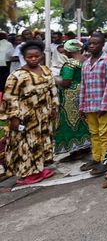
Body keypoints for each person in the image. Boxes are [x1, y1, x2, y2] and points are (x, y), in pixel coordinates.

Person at [0, 41, 58, 185]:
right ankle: (27, 174)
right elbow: (10, 97)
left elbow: (53, 90)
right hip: (25, 116)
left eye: (36, 56)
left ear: (41, 56)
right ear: (24, 57)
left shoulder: (46, 70)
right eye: (29, 57)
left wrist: (54, 108)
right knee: (27, 144)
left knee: (42, 141)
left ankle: (39, 169)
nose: (33, 59)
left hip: (44, 113)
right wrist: (13, 117)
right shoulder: (16, 75)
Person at [78, 33, 107, 175]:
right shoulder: (86, 63)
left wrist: (104, 105)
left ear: (102, 46)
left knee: (104, 133)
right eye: (90, 43)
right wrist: (81, 106)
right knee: (93, 133)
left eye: (95, 43)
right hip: (89, 104)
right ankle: (96, 157)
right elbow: (83, 86)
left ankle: (106, 161)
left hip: (104, 105)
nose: (92, 45)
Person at [54, 39, 91, 161]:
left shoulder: (70, 64)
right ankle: (86, 147)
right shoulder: (87, 61)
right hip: (84, 93)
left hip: (70, 97)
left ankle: (75, 152)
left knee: (70, 123)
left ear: (67, 52)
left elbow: (66, 82)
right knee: (83, 121)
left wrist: (55, 79)